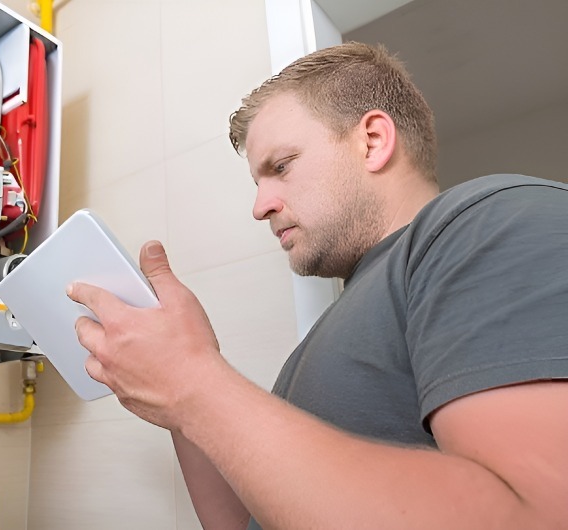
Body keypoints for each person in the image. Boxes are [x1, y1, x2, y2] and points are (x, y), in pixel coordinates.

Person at [67, 42, 568, 529]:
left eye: (281, 167)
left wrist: (191, 381)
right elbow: (246, 521)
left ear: (373, 141)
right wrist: (183, 389)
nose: (260, 206)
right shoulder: (330, 334)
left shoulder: (492, 220)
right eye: (258, 183)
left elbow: (535, 514)